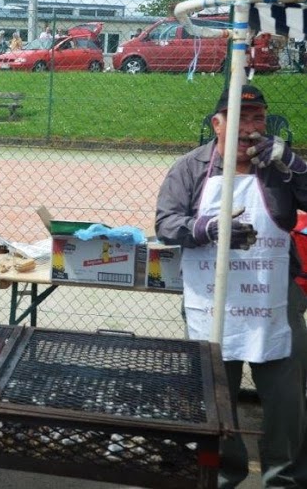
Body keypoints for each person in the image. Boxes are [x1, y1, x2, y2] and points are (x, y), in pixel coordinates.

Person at [155, 84, 307, 488]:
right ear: (217, 124)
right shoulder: (189, 168)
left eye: (258, 117)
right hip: (211, 302)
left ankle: (285, 477)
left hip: (274, 300)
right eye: (240, 117)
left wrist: (297, 165)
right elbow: (165, 223)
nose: (250, 127)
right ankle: (225, 472)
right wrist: (206, 228)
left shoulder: (279, 165)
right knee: (216, 394)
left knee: (286, 399)